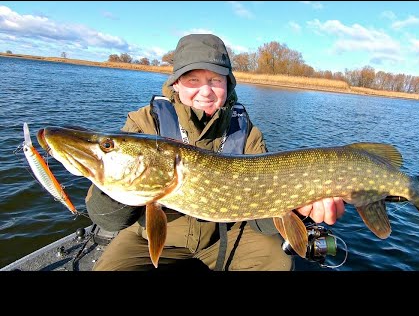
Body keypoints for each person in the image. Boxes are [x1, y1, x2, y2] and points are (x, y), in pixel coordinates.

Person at [85, 33, 345, 271]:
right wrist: (112, 181)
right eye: (193, 80)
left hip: (227, 235)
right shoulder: (144, 123)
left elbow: (261, 220)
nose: (205, 91)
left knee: (276, 261)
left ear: (227, 85)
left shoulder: (246, 133)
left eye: (215, 80)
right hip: (151, 236)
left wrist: (298, 206)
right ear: (176, 83)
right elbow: (108, 221)